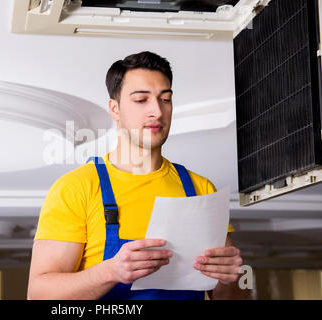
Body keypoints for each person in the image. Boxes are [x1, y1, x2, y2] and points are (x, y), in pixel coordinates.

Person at [28, 51, 248, 300]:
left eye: (165, 99)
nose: (157, 111)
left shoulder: (200, 188)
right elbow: (39, 295)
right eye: (141, 100)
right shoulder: (77, 188)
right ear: (115, 108)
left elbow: (234, 296)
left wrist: (230, 278)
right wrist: (110, 271)